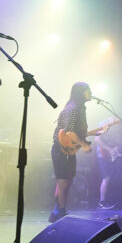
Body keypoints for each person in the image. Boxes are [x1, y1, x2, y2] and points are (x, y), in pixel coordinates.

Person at [50, 82, 97, 222]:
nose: (91, 93)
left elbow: (76, 132)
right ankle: (60, 214)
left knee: (65, 183)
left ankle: (56, 212)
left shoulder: (79, 109)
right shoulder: (74, 109)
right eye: (88, 90)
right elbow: (69, 132)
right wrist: (84, 145)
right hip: (61, 150)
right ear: (81, 93)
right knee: (63, 184)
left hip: (67, 150)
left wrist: (96, 132)